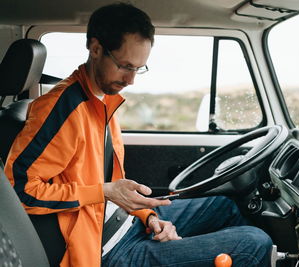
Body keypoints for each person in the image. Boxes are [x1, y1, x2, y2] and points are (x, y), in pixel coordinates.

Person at [5, 3, 272, 267]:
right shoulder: (61, 109)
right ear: (95, 49)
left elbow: (111, 186)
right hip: (105, 249)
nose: (131, 80)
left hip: (126, 221)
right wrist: (104, 192)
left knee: (222, 205)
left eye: (138, 68)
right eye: (125, 66)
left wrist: (149, 217)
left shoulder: (101, 101)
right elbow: (19, 191)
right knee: (254, 242)